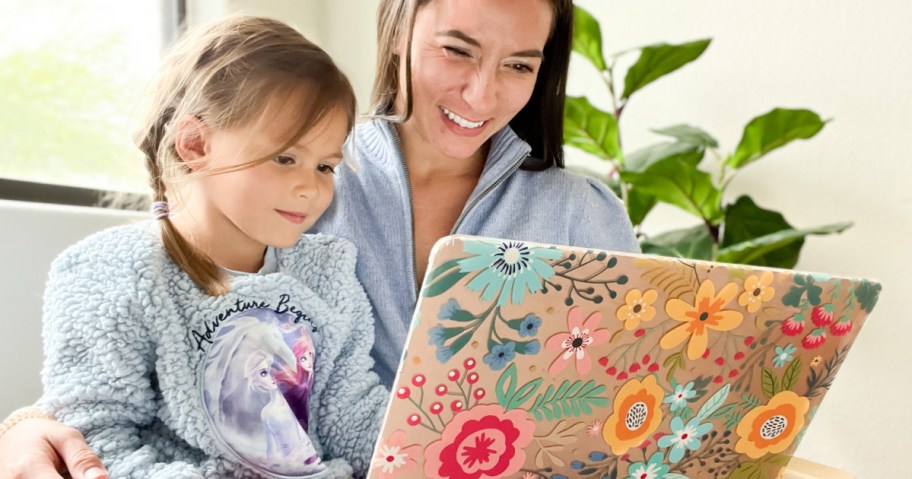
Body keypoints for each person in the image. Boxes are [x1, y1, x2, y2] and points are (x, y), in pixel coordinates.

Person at [0, 1, 639, 477]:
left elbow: (632, 402)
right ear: (400, 31)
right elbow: (112, 385)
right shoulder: (288, 168)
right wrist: (24, 425)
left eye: (520, 64)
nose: (482, 91)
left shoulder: (583, 215)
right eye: (457, 50)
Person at [0, 14, 386, 479]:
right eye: (285, 158)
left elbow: (353, 412)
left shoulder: (327, 269)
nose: (311, 188)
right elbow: (97, 437)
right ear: (195, 143)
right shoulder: (108, 270)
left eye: (325, 167)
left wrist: (426, 452)